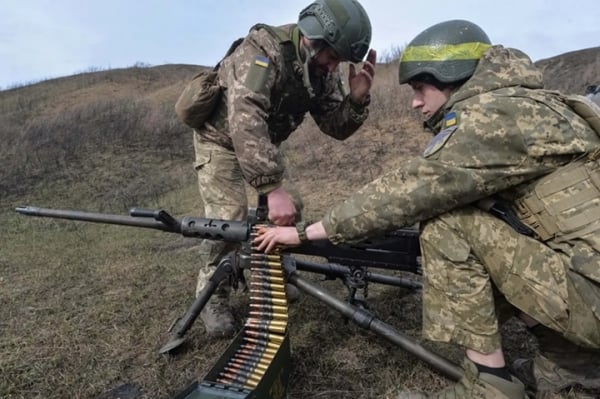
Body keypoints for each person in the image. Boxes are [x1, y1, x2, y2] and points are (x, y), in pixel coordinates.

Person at [255, 19, 600, 399]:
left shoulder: (493, 120)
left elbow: (406, 192)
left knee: (446, 225)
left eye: (420, 88)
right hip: (589, 280)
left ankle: (489, 387)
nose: (415, 102)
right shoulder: (534, 104)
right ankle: (573, 367)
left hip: (593, 299)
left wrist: (304, 233)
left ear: (451, 76)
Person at [181, 0, 377, 338]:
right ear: (313, 40)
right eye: (333, 57)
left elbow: (335, 125)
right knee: (228, 218)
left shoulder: (320, 71)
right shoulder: (262, 50)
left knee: (291, 207)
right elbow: (246, 119)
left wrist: (357, 99)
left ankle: (266, 277)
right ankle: (212, 292)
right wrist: (272, 188)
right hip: (221, 140)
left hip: (260, 144)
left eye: (341, 61)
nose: (334, 67)